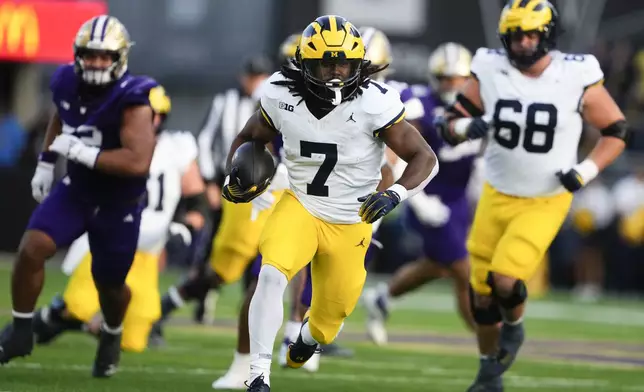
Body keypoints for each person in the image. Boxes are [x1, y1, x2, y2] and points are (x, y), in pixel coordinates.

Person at [221, 15, 438, 392]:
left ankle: (307, 339)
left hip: (352, 219)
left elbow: (424, 157)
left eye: (344, 63)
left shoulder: (375, 102)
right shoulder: (280, 94)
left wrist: (395, 194)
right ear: (305, 62)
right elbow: (250, 138)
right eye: (326, 62)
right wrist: (235, 176)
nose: (336, 72)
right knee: (271, 274)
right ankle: (258, 374)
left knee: (329, 319)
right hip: (301, 204)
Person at [438, 1, 628, 390]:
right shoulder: (490, 67)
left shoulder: (575, 73)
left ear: (547, 35)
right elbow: (451, 121)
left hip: (546, 196)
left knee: (505, 278)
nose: (523, 43)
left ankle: (516, 327)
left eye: (531, 34)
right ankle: (488, 370)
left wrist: (586, 170)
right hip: (496, 190)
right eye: (515, 36)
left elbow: (616, 130)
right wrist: (464, 128)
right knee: (481, 292)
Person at [0, 15, 159, 378]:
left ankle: (111, 334)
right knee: (32, 247)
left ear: (119, 58)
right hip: (78, 191)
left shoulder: (134, 98)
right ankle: (22, 329)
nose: (97, 63)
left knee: (110, 286)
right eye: (90, 55)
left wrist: (85, 154)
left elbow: (138, 161)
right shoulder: (65, 81)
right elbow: (62, 117)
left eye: (105, 56)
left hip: (119, 203)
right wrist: (46, 161)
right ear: (78, 55)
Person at [22, 86, 208, 353]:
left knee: (134, 339)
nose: (145, 120)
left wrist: (187, 222)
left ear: (160, 117)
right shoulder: (114, 142)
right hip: (111, 237)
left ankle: (90, 327)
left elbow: (195, 196)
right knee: (78, 306)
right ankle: (46, 320)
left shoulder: (176, 147)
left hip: (147, 251)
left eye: (150, 115)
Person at [150, 56, 276, 343]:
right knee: (220, 269)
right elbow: (239, 146)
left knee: (270, 270)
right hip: (248, 194)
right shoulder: (249, 108)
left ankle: (267, 337)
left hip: (280, 199)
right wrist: (213, 182)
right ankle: (164, 308)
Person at [363, 42, 478, 345]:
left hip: (459, 197)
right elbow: (406, 155)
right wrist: (421, 200)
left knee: (439, 265)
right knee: (462, 269)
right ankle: (488, 336)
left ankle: (382, 298)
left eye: (457, 79)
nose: (451, 85)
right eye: (445, 79)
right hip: (430, 193)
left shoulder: (479, 103)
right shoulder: (420, 104)